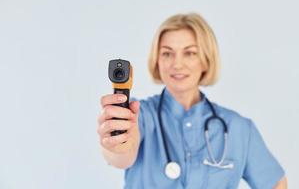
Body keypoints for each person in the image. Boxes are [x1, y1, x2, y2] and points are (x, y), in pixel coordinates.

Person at [97, 13, 287, 189]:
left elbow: (276, 183)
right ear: (157, 61)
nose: (177, 64)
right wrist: (116, 142)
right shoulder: (138, 115)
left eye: (190, 53)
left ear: (205, 60)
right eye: (167, 53)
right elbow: (121, 157)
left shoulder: (238, 129)